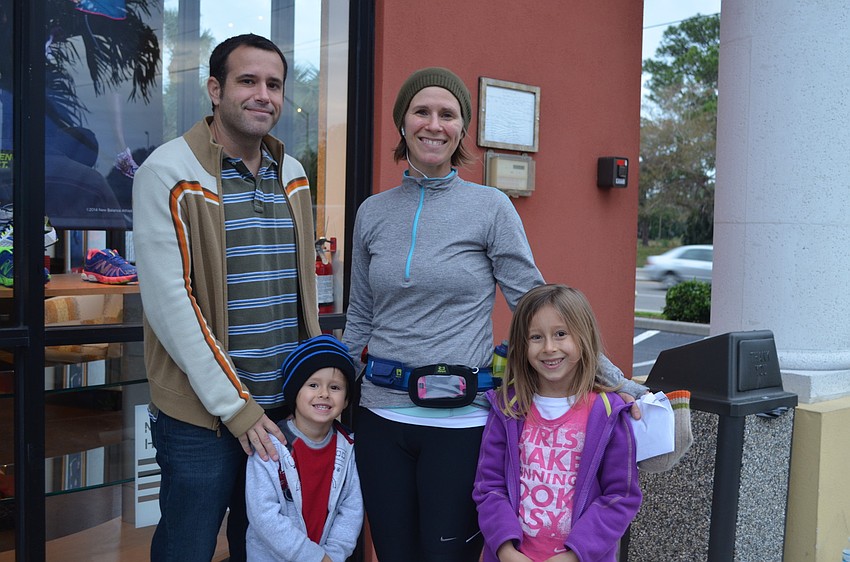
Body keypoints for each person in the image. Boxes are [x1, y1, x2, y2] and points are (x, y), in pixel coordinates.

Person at [342, 67, 646, 562]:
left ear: (462, 129)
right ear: (402, 123)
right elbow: (359, 317)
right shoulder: (372, 212)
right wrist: (329, 388)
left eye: (448, 114)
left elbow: (536, 302)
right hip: (380, 416)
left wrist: (612, 380)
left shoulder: (491, 208)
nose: (433, 124)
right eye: (421, 111)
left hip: (460, 423)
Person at [133, 33, 320, 561]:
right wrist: (235, 409)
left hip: (284, 409)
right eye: (248, 81)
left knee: (265, 548)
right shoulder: (167, 173)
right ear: (215, 90)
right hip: (203, 421)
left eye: (274, 84)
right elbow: (172, 305)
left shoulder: (293, 174)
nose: (264, 94)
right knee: (186, 548)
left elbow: (300, 291)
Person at [473, 284, 642, 562]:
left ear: (583, 337)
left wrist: (574, 556)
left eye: (561, 334)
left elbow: (620, 497)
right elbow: (488, 486)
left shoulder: (609, 411)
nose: (549, 348)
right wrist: (505, 550)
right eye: (536, 337)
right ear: (522, 345)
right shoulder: (507, 407)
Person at [246, 335, 363, 562]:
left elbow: (351, 510)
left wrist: (333, 556)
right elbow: (264, 516)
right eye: (313, 385)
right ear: (294, 393)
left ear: (347, 399)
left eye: (335, 387)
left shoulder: (349, 446)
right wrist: (313, 557)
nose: (324, 394)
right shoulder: (271, 446)